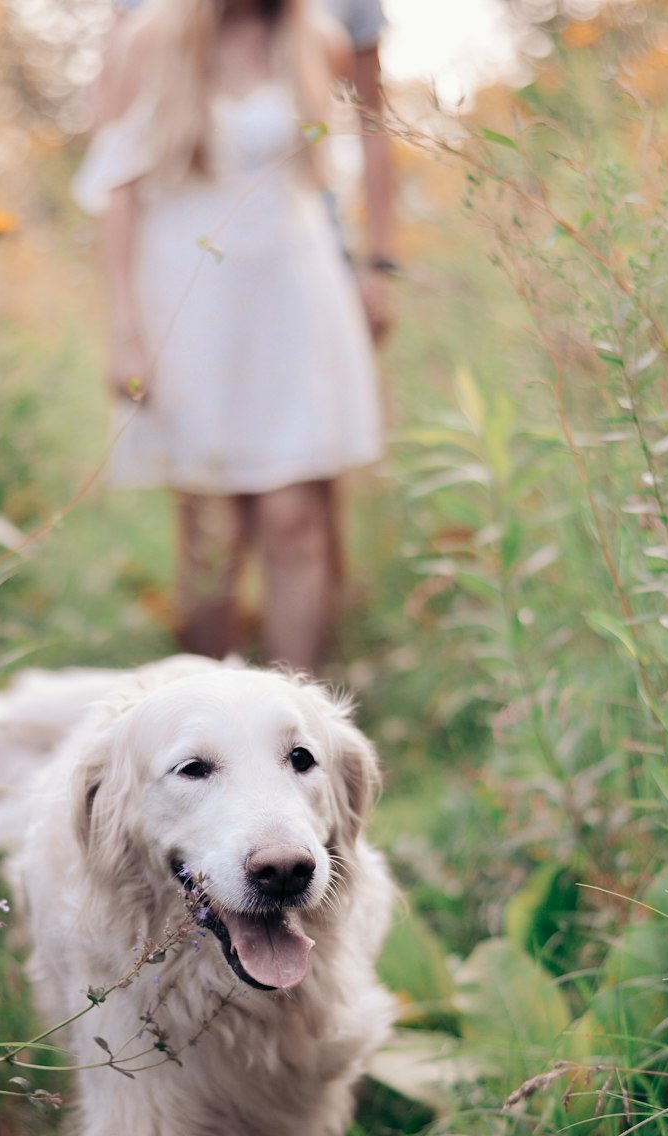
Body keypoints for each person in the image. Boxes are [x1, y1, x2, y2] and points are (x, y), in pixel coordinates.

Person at [76, 0, 394, 672]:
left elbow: (367, 140)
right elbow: (120, 191)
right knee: (212, 530)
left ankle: (296, 728)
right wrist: (126, 331)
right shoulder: (146, 40)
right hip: (191, 301)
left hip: (295, 295)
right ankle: (209, 721)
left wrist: (378, 265)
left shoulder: (318, 38)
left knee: (295, 519)